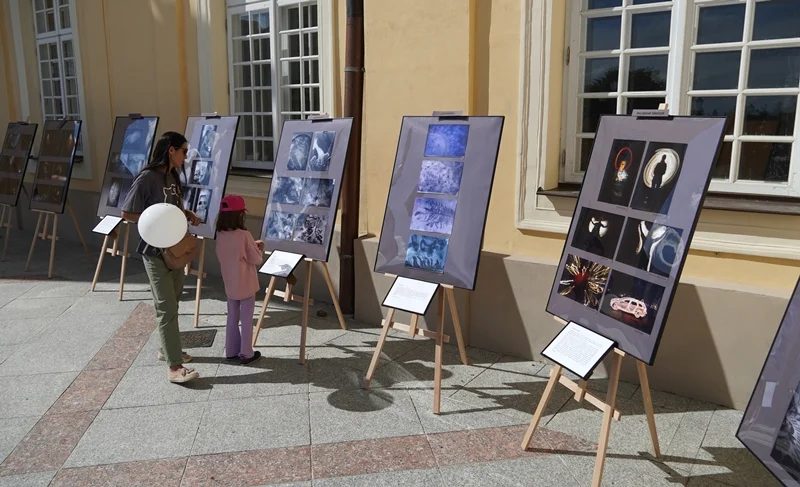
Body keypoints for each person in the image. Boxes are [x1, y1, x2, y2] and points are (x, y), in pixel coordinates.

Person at [121, 131, 202, 384]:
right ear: (171, 150)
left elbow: (171, 208)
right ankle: (174, 368)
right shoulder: (147, 178)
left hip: (175, 249)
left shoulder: (173, 176)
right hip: (154, 252)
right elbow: (127, 212)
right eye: (184, 151)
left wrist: (185, 213)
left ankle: (166, 349)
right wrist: (153, 219)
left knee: (174, 302)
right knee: (166, 307)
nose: (186, 156)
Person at [214, 195, 264, 365]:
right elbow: (255, 259)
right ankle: (246, 352)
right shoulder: (243, 234)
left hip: (230, 283)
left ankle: (231, 349)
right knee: (247, 318)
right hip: (246, 283)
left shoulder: (220, 234)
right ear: (240, 215)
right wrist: (259, 248)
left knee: (232, 316)